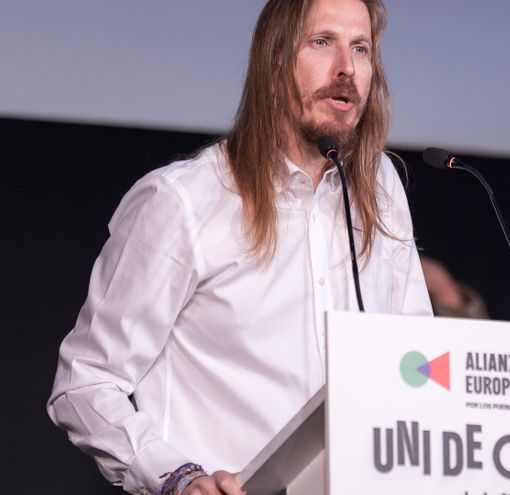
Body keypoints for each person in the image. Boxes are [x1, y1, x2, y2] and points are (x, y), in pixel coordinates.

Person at [47, 0, 431, 493]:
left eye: (361, 48)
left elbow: (418, 355)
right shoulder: (184, 201)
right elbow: (85, 382)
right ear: (273, 61)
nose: (347, 69)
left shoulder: (379, 189)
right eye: (322, 42)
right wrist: (177, 477)